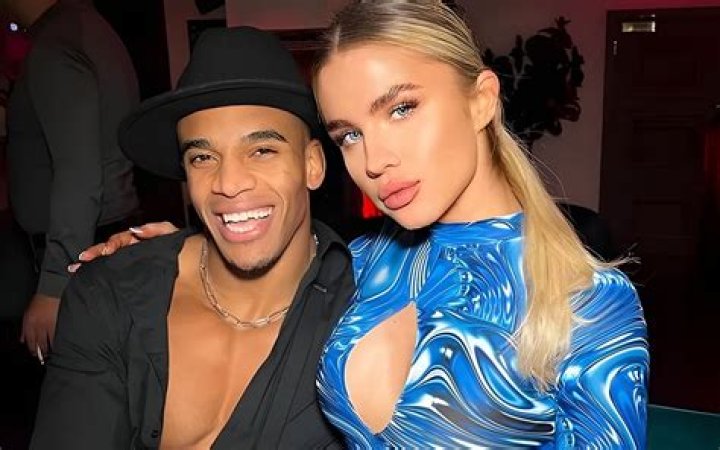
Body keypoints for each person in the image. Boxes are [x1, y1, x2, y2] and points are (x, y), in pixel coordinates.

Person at [83, 1, 649, 448]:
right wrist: (178, 252)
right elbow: (265, 268)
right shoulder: (364, 261)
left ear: (481, 100)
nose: (373, 161)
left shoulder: (590, 302)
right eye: (349, 134)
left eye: (401, 109)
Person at [31, 27, 353, 449]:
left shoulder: (366, 312)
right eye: (203, 157)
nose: (228, 183)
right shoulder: (111, 293)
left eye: (262, 150)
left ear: (312, 164)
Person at [0, 0, 140, 358]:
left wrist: (54, 286)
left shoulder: (58, 40)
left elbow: (78, 171)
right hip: (98, 240)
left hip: (78, 252)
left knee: (80, 377)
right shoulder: (88, 26)